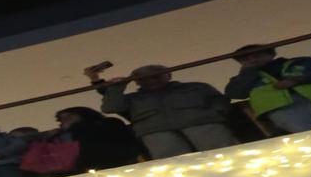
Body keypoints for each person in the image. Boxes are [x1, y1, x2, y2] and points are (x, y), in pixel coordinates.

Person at [88, 62, 238, 158]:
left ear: (168, 75)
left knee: (223, 155)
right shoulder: (132, 98)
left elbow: (219, 101)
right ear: (136, 81)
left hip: (202, 124)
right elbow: (110, 107)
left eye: (156, 76)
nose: (151, 81)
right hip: (156, 132)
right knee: (176, 165)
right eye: (144, 79)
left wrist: (216, 114)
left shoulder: (196, 87)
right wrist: (118, 87)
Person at [224, 43, 311, 135]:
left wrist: (300, 80)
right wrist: (247, 73)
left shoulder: (303, 62)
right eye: (245, 58)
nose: (252, 59)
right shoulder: (244, 78)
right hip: (283, 111)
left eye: (256, 55)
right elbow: (235, 93)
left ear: (270, 54)